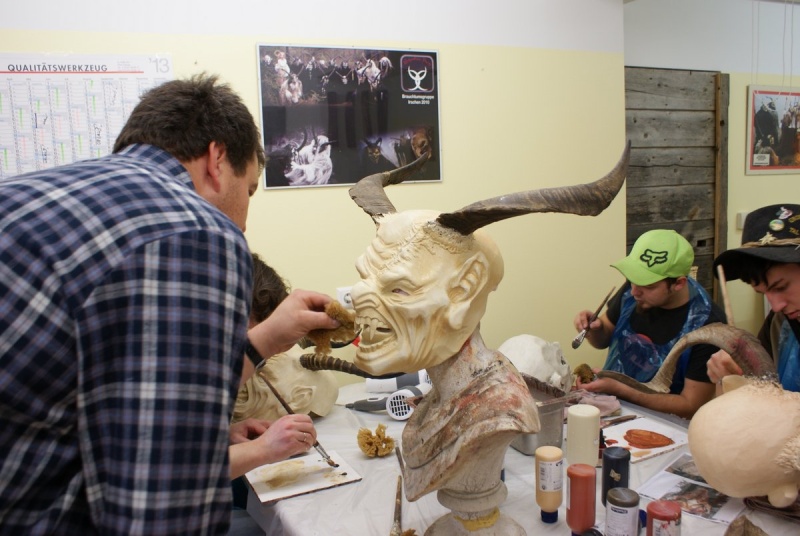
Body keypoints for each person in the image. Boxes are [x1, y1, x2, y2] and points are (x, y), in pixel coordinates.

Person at [0, 74, 338, 535]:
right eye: (249, 190)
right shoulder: (194, 231)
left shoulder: (27, 194)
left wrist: (261, 345)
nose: (242, 223)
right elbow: (162, 504)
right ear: (217, 160)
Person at [573, 229, 726, 418]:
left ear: (678, 283)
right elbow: (602, 340)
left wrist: (620, 389)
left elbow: (690, 405)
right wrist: (594, 330)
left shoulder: (709, 326)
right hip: (613, 406)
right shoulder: (635, 289)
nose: (634, 292)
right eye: (633, 280)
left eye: (648, 286)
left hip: (665, 423)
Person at [707, 204, 800, 393]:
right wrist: (735, 379)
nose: (775, 306)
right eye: (763, 293)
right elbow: (765, 388)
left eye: (781, 287)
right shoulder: (780, 323)